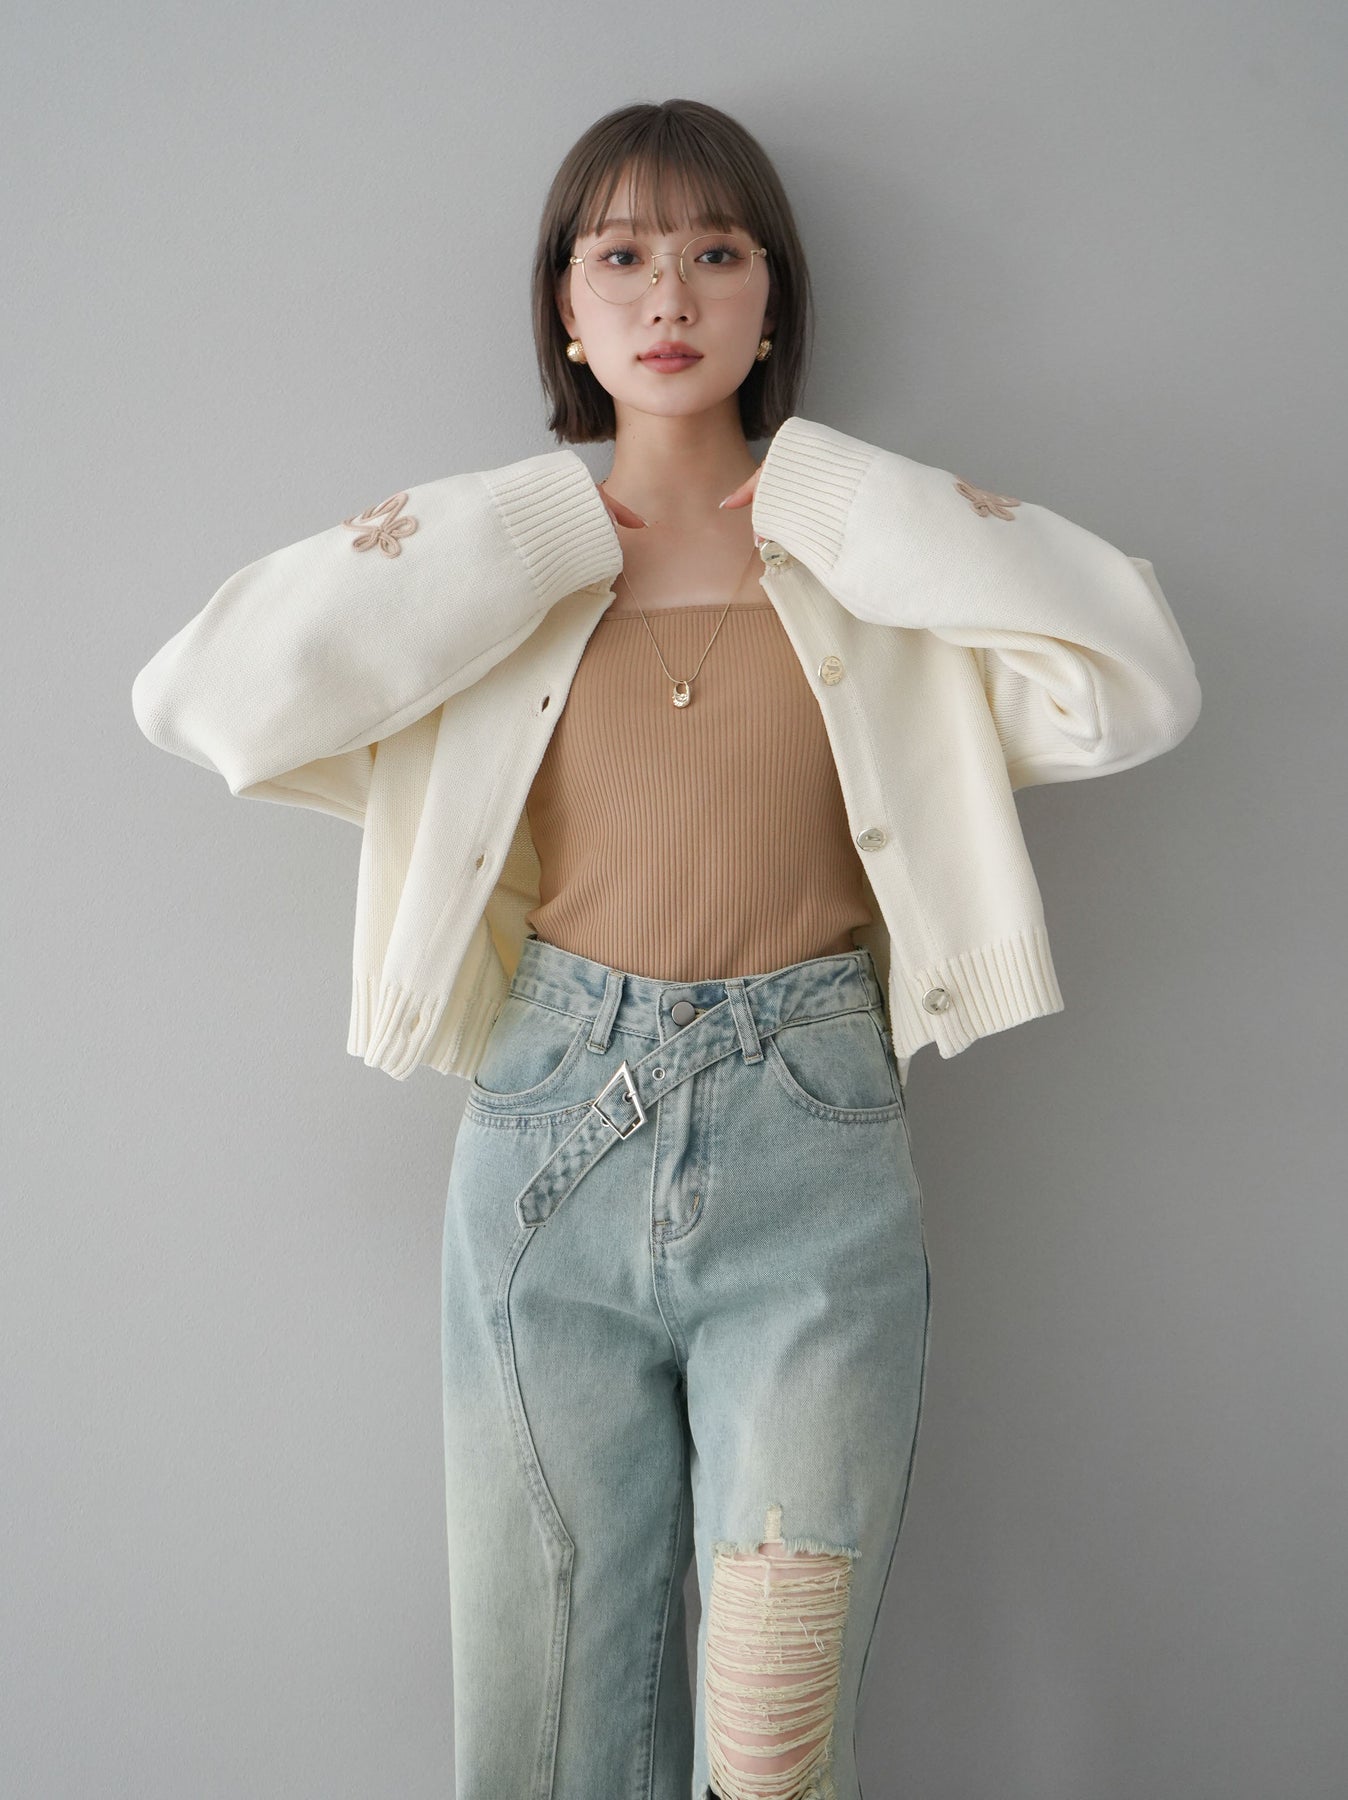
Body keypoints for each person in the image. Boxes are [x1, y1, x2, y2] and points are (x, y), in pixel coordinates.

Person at [131, 98, 1201, 1800]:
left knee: (776, 1731)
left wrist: (830, 490)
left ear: (776, 299)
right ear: (564, 308)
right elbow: (205, 697)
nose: (670, 293)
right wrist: (533, 526)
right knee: (548, 1698)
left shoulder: (860, 578)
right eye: (619, 256)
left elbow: (1135, 673)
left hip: (816, 1143)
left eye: (717, 251)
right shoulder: (503, 586)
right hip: (549, 1141)